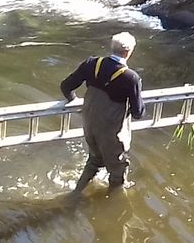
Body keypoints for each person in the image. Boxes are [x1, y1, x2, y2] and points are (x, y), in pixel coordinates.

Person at [61, 32, 145, 192]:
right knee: (118, 169)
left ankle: (76, 193)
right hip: (111, 133)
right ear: (129, 52)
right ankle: (113, 201)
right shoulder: (130, 78)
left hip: (90, 126)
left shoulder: (92, 63)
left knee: (95, 160)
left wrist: (75, 101)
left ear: (112, 47)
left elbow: (66, 86)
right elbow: (138, 112)